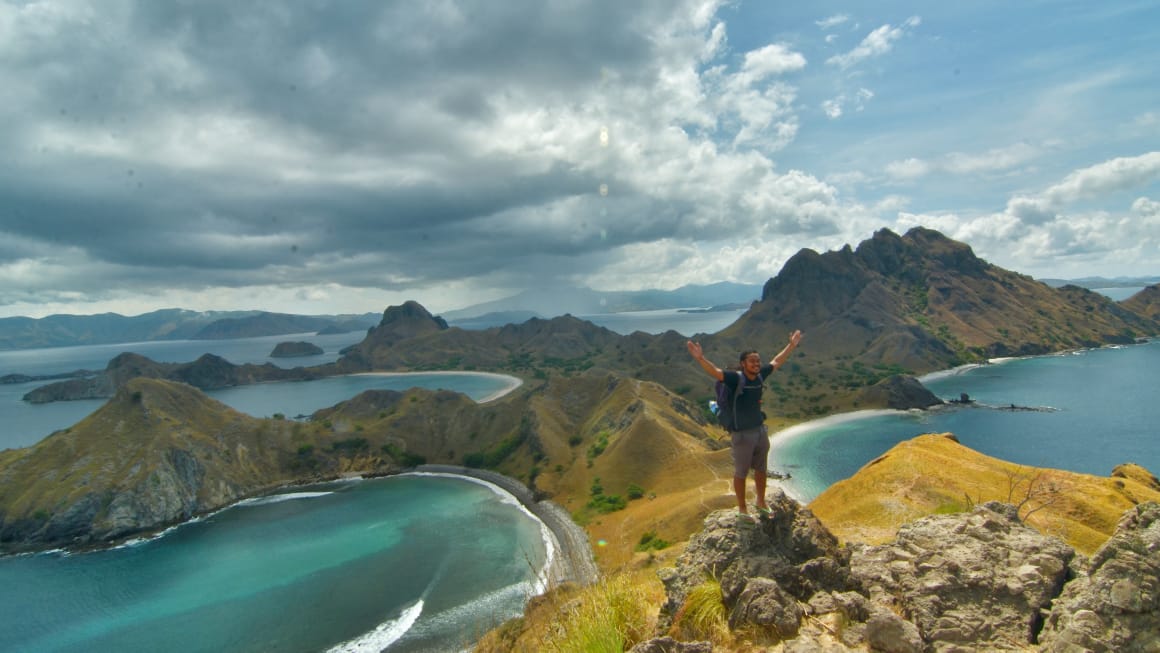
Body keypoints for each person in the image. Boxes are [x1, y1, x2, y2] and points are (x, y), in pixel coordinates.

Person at [686, 330, 803, 521]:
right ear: (743, 364)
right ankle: (742, 509)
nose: (756, 364)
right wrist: (700, 359)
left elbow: (776, 362)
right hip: (741, 435)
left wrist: (791, 345)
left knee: (761, 469)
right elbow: (715, 372)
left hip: (759, 431)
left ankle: (761, 502)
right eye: (752, 361)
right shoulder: (735, 379)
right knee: (741, 472)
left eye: (758, 361)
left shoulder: (759, 376)